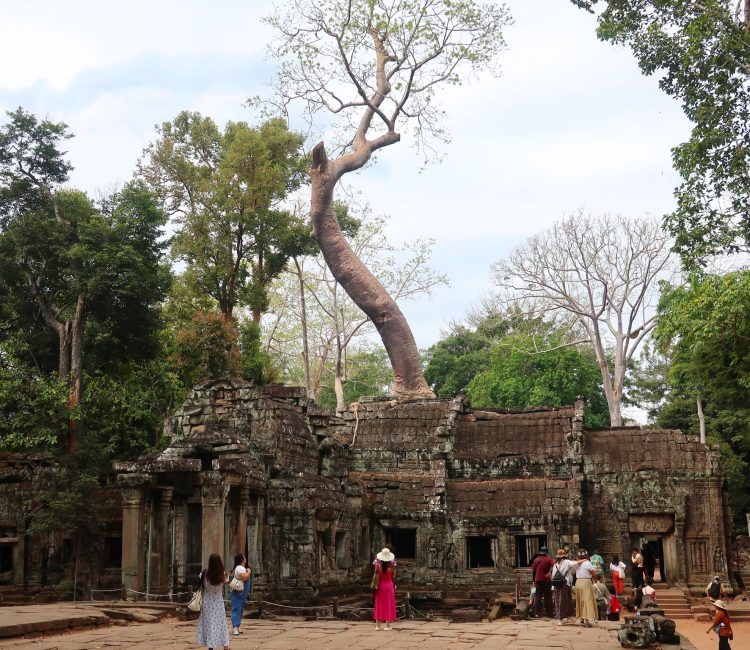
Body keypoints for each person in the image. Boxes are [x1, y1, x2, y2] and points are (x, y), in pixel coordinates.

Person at [196, 553, 229, 650]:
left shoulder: (203, 574)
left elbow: (200, 584)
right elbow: (227, 581)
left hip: (207, 603)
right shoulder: (223, 574)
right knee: (222, 624)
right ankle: (225, 646)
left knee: (209, 624)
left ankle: (210, 646)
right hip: (218, 603)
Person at [373, 547, 397, 631]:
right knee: (388, 604)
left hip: (380, 586)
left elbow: (376, 576)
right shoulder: (391, 567)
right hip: (389, 585)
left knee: (378, 604)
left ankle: (377, 625)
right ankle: (387, 625)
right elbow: (393, 576)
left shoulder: (377, 566)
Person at [229, 552, 252, 637]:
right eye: (244, 557)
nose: (245, 559)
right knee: (236, 609)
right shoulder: (240, 568)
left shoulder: (241, 568)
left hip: (242, 593)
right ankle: (235, 627)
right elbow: (244, 577)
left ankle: (237, 625)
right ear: (242, 560)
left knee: (240, 609)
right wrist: (249, 572)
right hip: (238, 593)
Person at [574, 549, 599, 625]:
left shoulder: (576, 563)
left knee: (580, 600)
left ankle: (581, 617)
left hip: (578, 582)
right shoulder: (587, 563)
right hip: (586, 582)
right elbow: (593, 573)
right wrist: (595, 579)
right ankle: (587, 619)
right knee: (587, 599)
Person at [551, 548, 575, 623]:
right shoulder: (567, 562)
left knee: (558, 600)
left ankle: (564, 617)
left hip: (556, 584)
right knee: (566, 600)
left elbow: (553, 575)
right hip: (565, 584)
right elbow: (575, 564)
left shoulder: (555, 564)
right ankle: (562, 618)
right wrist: (583, 560)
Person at [530, 546, 555, 618]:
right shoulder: (549, 559)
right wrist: (550, 572)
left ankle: (537, 613)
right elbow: (555, 565)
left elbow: (533, 571)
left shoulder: (536, 560)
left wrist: (533, 580)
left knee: (538, 597)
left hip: (538, 580)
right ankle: (550, 614)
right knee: (548, 598)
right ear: (546, 553)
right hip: (547, 581)